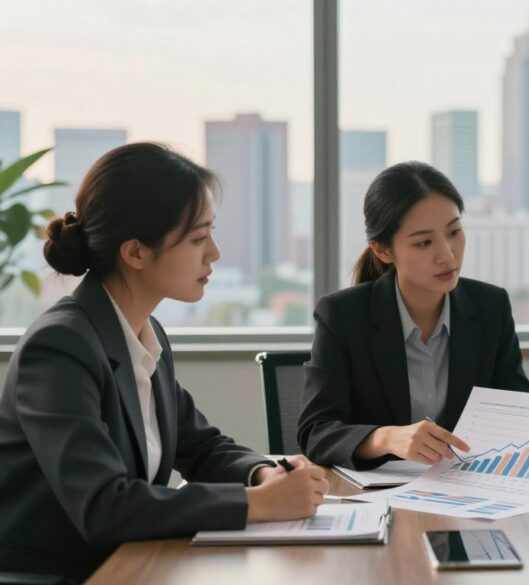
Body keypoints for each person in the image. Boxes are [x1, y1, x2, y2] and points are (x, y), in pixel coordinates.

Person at [0, 143, 328, 582]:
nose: (214, 253)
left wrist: (264, 472)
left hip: (133, 564)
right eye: (197, 238)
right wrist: (261, 504)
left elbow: (202, 447)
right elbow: (103, 506)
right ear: (135, 252)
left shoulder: (141, 334)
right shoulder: (61, 346)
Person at [298, 161, 529, 470]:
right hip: (375, 501)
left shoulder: (491, 307)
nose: (447, 254)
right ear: (383, 250)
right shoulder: (343, 315)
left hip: (468, 496)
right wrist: (388, 438)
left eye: (454, 232)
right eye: (424, 242)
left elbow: (516, 416)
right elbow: (316, 432)